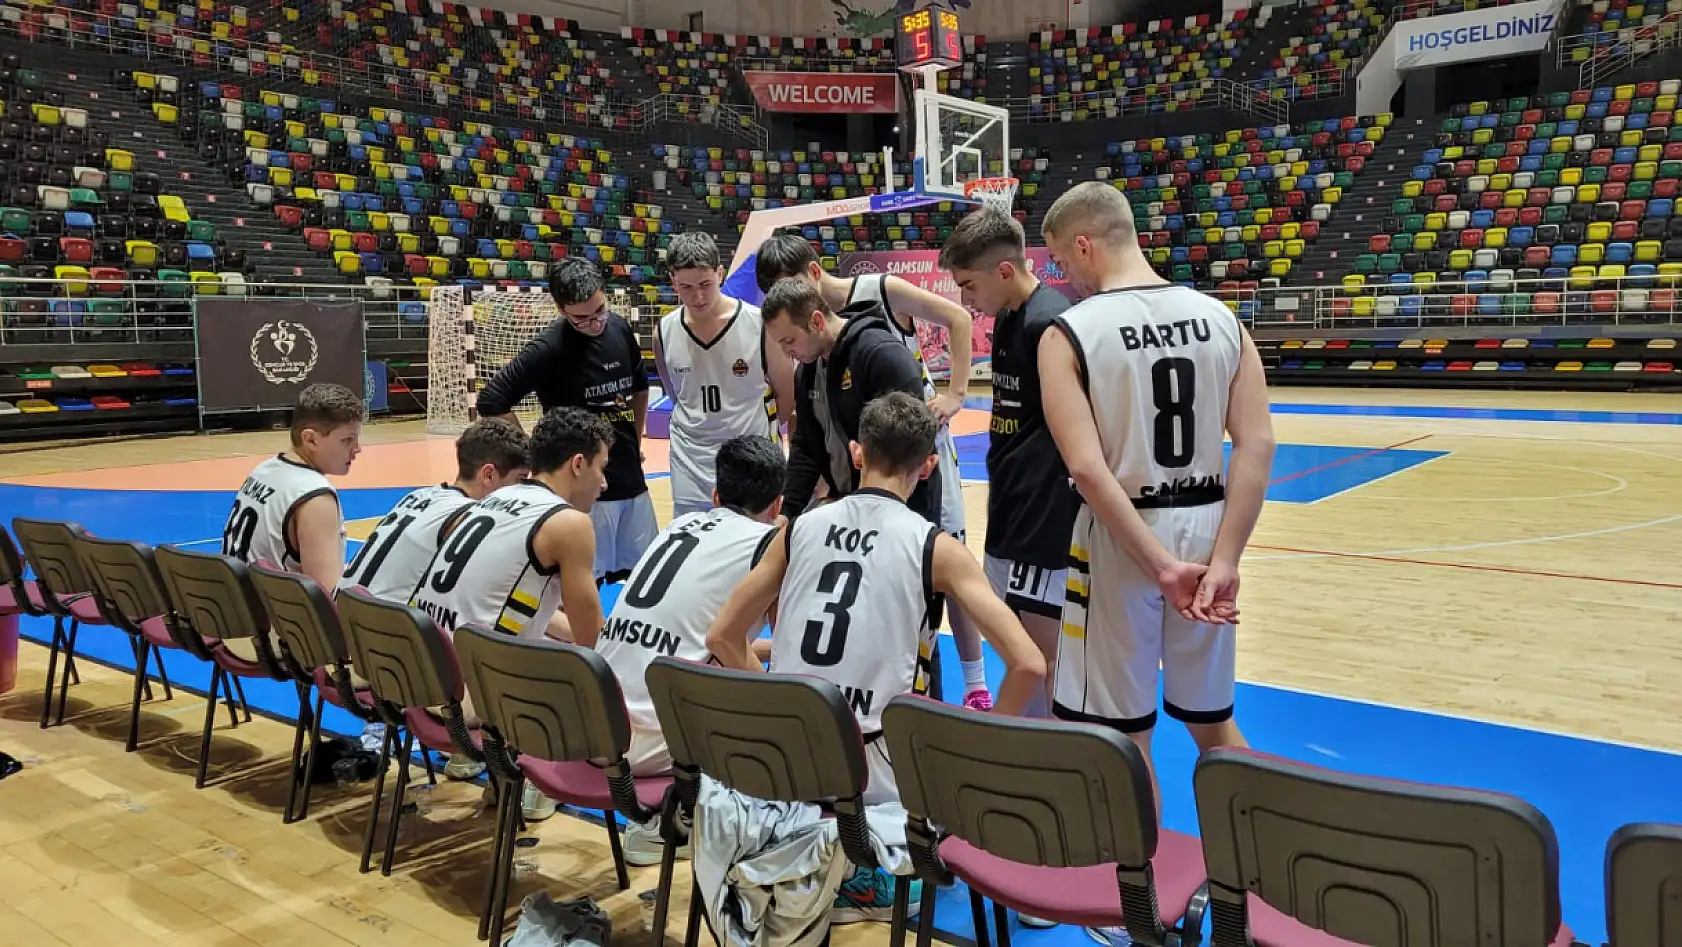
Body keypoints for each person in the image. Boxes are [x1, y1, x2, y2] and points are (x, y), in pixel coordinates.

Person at [1037, 183, 1275, 946]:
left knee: (1126, 735)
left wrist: (1157, 564)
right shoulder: (1222, 318)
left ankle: (1139, 910)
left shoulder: (1068, 332)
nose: (1063, 277)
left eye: (1061, 259)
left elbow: (1085, 467)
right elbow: (1257, 442)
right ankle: (1267, 881)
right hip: (1207, 528)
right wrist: (1223, 558)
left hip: (1124, 538)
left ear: (1084, 245)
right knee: (1214, 722)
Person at [707, 392, 1045, 924]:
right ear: (928, 466)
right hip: (873, 772)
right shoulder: (936, 547)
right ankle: (868, 871)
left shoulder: (797, 528)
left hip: (789, 757)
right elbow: (1029, 665)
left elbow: (723, 636)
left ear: (857, 453)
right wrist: (986, 752)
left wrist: (778, 700)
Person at [755, 234, 991, 708]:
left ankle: (946, 701)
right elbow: (806, 447)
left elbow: (907, 446)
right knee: (868, 624)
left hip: (906, 508)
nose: (787, 352)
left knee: (914, 620)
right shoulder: (809, 369)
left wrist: (956, 396)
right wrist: (789, 513)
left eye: (789, 342)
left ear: (815, 318)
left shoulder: (879, 350)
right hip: (858, 508)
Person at [596, 434, 785, 865]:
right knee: (781, 704)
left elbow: (692, 636)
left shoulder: (678, 526)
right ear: (776, 506)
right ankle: (677, 819)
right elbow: (726, 643)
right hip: (646, 743)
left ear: (716, 496)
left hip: (588, 721)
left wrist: (761, 652)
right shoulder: (770, 545)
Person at [409, 407, 613, 806]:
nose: (604, 483)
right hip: (466, 699)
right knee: (596, 681)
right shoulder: (567, 524)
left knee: (536, 643)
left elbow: (505, 604)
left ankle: (491, 770)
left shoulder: (492, 499)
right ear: (577, 464)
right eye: (601, 468)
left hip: (417, 679)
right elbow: (592, 642)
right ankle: (536, 785)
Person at [939, 208, 1077, 720]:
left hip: (1043, 522)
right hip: (1011, 509)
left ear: (1003, 271)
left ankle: (1053, 750)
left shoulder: (1049, 323)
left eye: (969, 286)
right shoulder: (1008, 318)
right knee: (1020, 651)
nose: (965, 301)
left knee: (1044, 659)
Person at [338, 417, 528, 755]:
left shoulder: (420, 495)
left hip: (342, 639)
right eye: (519, 481)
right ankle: (467, 753)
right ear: (488, 474)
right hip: (381, 659)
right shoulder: (471, 519)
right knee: (508, 641)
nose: (522, 493)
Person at [475, 259, 655, 584]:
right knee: (579, 588)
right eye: (581, 319)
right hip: (583, 495)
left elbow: (640, 388)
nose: (595, 324)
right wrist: (535, 458)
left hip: (631, 482)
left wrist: (635, 439)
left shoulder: (618, 328)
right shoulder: (549, 348)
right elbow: (492, 399)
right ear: (561, 309)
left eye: (599, 311)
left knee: (645, 582)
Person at [654, 232, 796, 518]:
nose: (697, 296)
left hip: (751, 456)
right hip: (690, 459)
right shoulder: (664, 331)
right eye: (686, 287)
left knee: (755, 538)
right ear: (673, 281)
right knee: (694, 539)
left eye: (705, 284)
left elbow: (787, 396)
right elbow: (677, 395)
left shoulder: (759, 325)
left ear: (720, 273)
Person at [220, 382, 363, 663]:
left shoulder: (263, 470)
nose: (357, 449)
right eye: (347, 440)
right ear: (311, 439)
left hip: (232, 624)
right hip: (277, 637)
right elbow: (326, 597)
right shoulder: (314, 497)